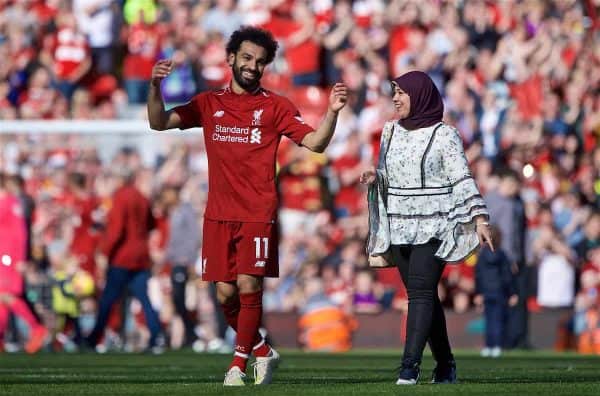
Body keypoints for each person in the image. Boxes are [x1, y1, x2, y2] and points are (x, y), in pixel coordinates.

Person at [147, 26, 347, 386]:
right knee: (224, 292)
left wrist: (331, 112)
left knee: (248, 285)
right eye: (247, 58)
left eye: (260, 61)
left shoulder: (275, 106)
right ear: (231, 59)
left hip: (257, 212)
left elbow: (315, 143)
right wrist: (154, 88)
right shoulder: (209, 104)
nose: (253, 66)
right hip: (218, 214)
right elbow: (158, 122)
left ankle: (238, 366)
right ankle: (262, 351)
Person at [360, 71, 493, 385]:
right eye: (394, 92)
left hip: (435, 224)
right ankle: (446, 366)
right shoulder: (389, 131)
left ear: (419, 95)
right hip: (399, 226)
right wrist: (374, 177)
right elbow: (387, 173)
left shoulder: (445, 134)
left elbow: (462, 178)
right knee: (425, 297)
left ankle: (409, 369)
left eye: (401, 93)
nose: (395, 98)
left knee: (419, 295)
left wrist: (479, 219)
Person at [85, 167, 163, 354]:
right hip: (141, 256)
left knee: (108, 300)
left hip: (122, 257)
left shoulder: (120, 197)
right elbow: (152, 224)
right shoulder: (142, 197)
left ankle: (95, 337)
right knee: (144, 300)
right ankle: (156, 336)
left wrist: (104, 251)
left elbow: (117, 230)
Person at [483, 168, 529, 349]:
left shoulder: (517, 202)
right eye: (513, 185)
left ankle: (515, 339)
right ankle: (498, 341)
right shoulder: (491, 201)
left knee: (516, 300)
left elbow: (518, 233)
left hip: (514, 258)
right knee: (498, 301)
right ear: (505, 183)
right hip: (496, 259)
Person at [162, 185, 201, 346]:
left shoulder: (186, 211)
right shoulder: (172, 211)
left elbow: (194, 235)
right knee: (176, 300)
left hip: (183, 261)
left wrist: (189, 259)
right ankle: (189, 334)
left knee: (180, 298)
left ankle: (191, 333)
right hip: (173, 261)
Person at [474, 225, 518, 358]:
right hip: (499, 293)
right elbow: (507, 276)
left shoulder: (481, 256)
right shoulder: (503, 255)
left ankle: (488, 346)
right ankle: (497, 346)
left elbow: (479, 276)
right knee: (498, 321)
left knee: (489, 321)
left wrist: (479, 293)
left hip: (487, 293)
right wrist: (512, 293)